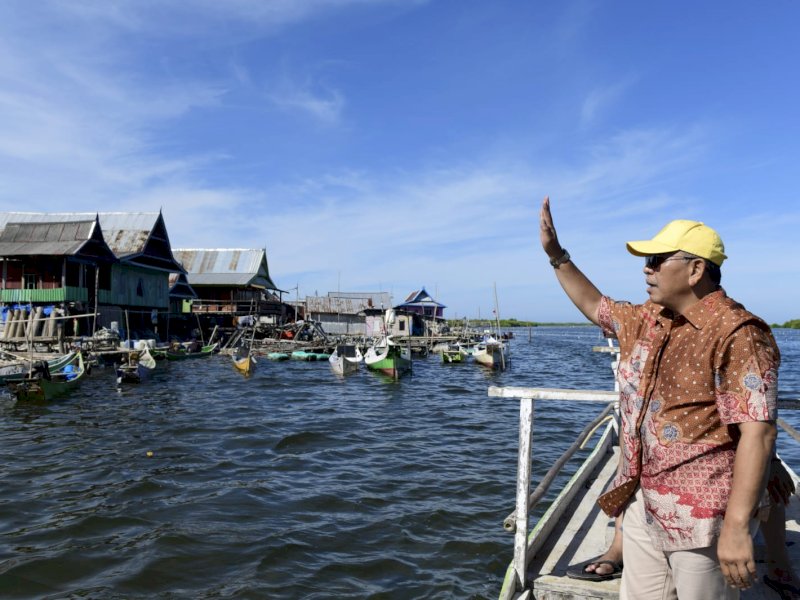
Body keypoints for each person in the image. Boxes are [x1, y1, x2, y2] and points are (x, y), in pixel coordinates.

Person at [539, 197, 782, 599]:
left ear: (696, 269)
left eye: (656, 259)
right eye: (647, 260)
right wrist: (557, 256)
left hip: (704, 519)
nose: (646, 268)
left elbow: (759, 435)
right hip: (643, 503)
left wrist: (738, 528)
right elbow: (593, 304)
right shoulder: (648, 318)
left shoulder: (739, 333)